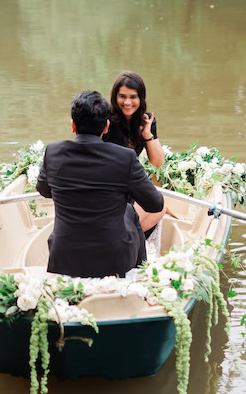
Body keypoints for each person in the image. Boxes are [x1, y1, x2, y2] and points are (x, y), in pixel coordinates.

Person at [36, 91, 164, 278]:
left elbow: (44, 190)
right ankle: (138, 275)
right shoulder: (125, 157)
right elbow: (155, 204)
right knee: (129, 211)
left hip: (64, 259)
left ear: (73, 125)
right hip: (114, 260)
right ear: (106, 127)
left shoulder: (53, 152)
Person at [103, 71, 165, 233]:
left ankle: (129, 238)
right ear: (115, 97)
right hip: (107, 183)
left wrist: (147, 134)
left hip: (129, 181)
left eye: (133, 97)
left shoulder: (146, 120)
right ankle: (125, 236)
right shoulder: (106, 119)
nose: (128, 102)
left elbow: (157, 162)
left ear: (141, 98)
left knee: (159, 209)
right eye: (122, 96)